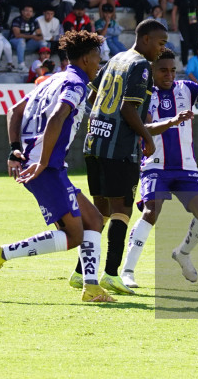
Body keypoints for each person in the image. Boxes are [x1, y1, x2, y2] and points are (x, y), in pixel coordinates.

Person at [0, 30, 115, 303]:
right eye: (98, 59)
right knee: (74, 235)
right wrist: (42, 161)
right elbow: (57, 116)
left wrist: (13, 148)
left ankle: (91, 288)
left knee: (94, 220)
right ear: (88, 58)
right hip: (44, 168)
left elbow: (14, 111)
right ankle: (0, 254)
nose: (99, 65)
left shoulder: (51, 79)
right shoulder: (76, 83)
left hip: (46, 165)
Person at [70, 19, 168, 295]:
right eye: (160, 43)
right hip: (119, 149)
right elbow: (127, 109)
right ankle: (112, 274)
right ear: (146, 39)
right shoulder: (139, 66)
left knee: (99, 213)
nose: (162, 50)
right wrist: (147, 138)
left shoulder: (115, 58)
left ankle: (81, 272)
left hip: (94, 142)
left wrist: (105, 117)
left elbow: (93, 96)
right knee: (121, 211)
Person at [120, 50, 198, 288]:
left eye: (172, 70)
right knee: (151, 212)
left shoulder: (188, 88)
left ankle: (182, 253)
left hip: (186, 167)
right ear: (152, 70)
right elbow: (144, 127)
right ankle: (127, 271)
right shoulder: (145, 93)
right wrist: (172, 121)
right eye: (163, 70)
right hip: (155, 165)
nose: (169, 75)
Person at [10, 5, 47, 71]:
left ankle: (45, 63)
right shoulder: (17, 20)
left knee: (43, 42)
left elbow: (39, 33)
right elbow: (17, 35)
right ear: (22, 12)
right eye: (26, 11)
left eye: (31, 11)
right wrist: (32, 36)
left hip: (28, 44)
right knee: (21, 41)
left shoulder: (34, 21)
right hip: (15, 42)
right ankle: (21, 65)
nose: (28, 13)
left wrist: (40, 37)